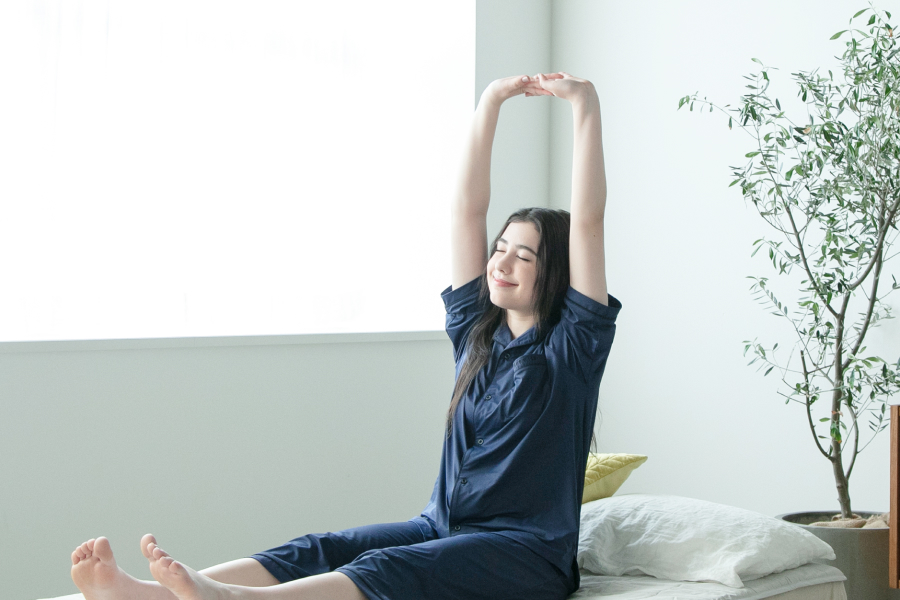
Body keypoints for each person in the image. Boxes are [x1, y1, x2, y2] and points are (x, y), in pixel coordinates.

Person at [69, 71, 621, 600]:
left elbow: (589, 223)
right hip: (442, 525)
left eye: (524, 256)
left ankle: (232, 598)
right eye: (500, 248)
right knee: (325, 547)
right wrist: (490, 103)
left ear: (556, 273)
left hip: (526, 552)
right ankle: (151, 595)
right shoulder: (476, 332)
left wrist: (585, 104)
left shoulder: (572, 349)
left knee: (386, 568)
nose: (500, 262)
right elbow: (465, 211)